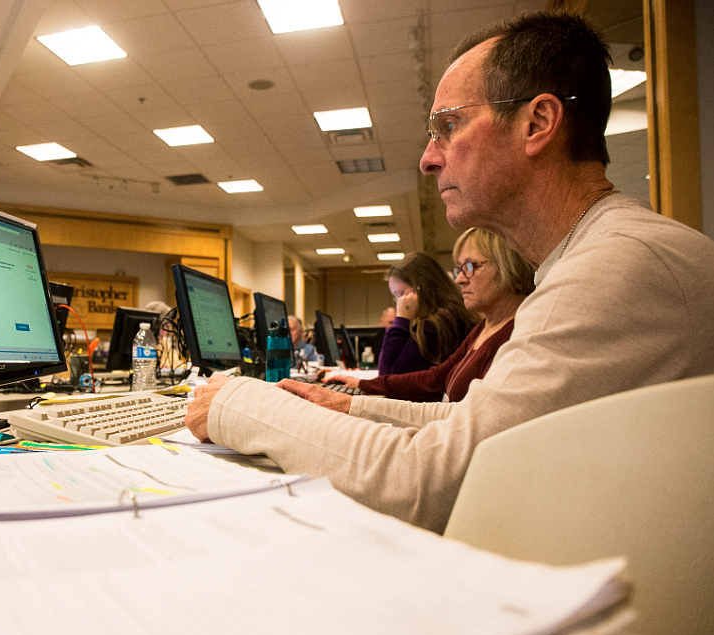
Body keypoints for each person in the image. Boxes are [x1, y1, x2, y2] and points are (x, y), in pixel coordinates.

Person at [184, 11, 714, 534]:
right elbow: (478, 428)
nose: (427, 159)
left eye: (448, 126)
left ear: (537, 123)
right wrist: (344, 406)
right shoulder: (596, 256)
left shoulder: (615, 266)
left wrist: (239, 403)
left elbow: (432, 484)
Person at [325, 228, 534, 402]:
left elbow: (390, 374)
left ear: (507, 266)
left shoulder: (512, 333)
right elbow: (436, 377)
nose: (460, 279)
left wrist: (401, 320)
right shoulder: (485, 327)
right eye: (459, 269)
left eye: (470, 267)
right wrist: (363, 384)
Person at [376, 252, 477, 377]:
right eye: (396, 297)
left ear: (421, 288)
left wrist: (401, 319)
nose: (399, 303)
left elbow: (386, 375)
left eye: (401, 294)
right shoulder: (452, 313)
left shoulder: (435, 325)